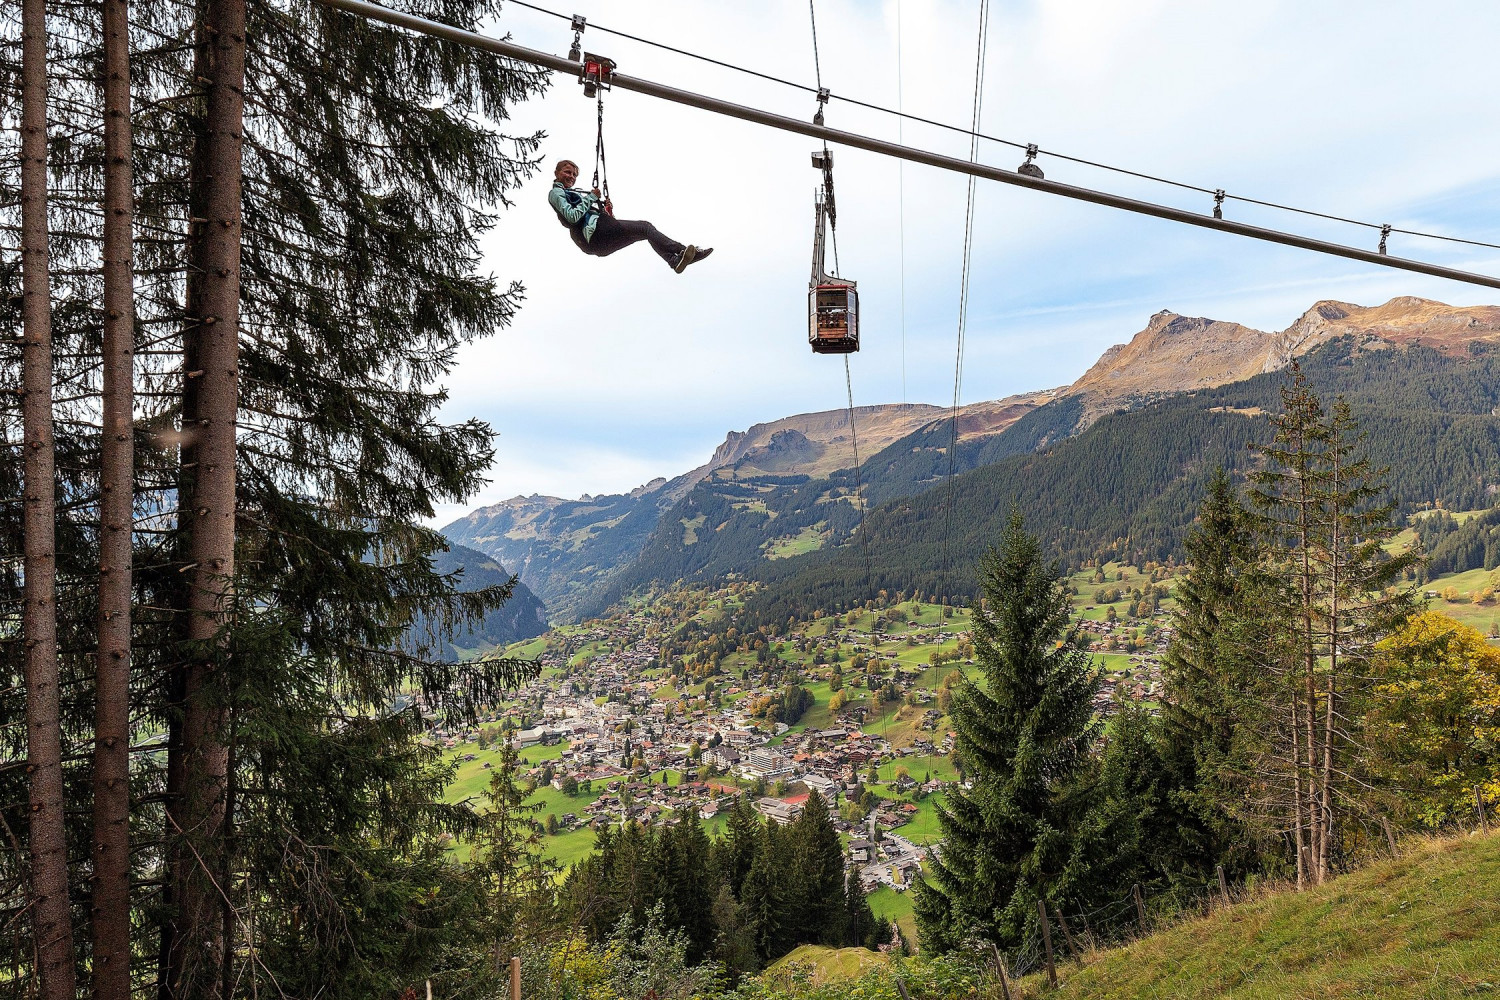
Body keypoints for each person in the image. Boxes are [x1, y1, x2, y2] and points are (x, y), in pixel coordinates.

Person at [548, 159, 713, 273]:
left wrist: (606, 211)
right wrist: (591, 198)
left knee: (644, 232)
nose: (571, 177)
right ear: (557, 172)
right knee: (644, 227)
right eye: (567, 172)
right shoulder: (556, 192)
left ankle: (675, 261)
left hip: (596, 243)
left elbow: (587, 219)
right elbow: (572, 217)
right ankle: (680, 251)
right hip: (594, 237)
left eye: (574, 175)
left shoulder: (573, 193)